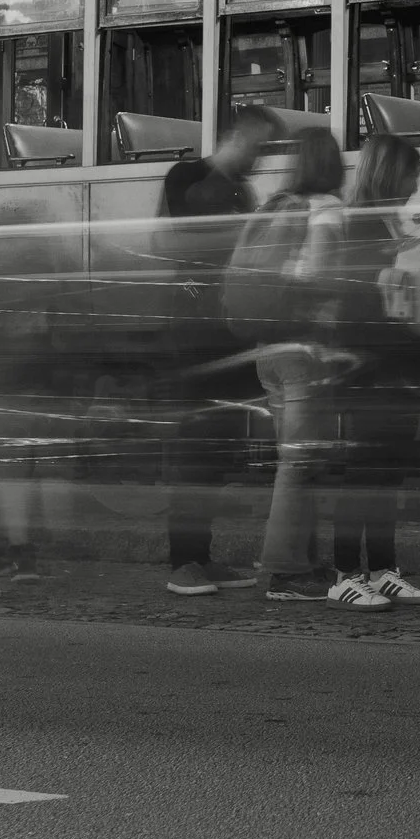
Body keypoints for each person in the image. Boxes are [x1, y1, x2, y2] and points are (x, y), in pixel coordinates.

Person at [155, 107, 282, 598]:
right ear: (237, 136)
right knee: (192, 450)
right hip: (191, 336)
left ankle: (201, 558)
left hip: (229, 333)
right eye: (259, 144)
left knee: (215, 453)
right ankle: (182, 561)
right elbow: (189, 233)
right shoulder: (189, 175)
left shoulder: (241, 192)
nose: (261, 157)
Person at [322, 134, 420, 607]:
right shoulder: (360, 226)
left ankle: (385, 568)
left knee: (387, 473)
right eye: (411, 175)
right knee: (364, 473)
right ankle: (345, 572)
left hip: (396, 361)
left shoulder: (387, 222)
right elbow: (360, 300)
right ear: (391, 174)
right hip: (372, 363)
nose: (414, 185)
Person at [251, 126, 355, 605]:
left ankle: (304, 564)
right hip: (304, 349)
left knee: (298, 459)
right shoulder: (326, 210)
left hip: (267, 347)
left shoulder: (275, 206)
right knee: (297, 464)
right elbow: (320, 275)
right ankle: (285, 571)